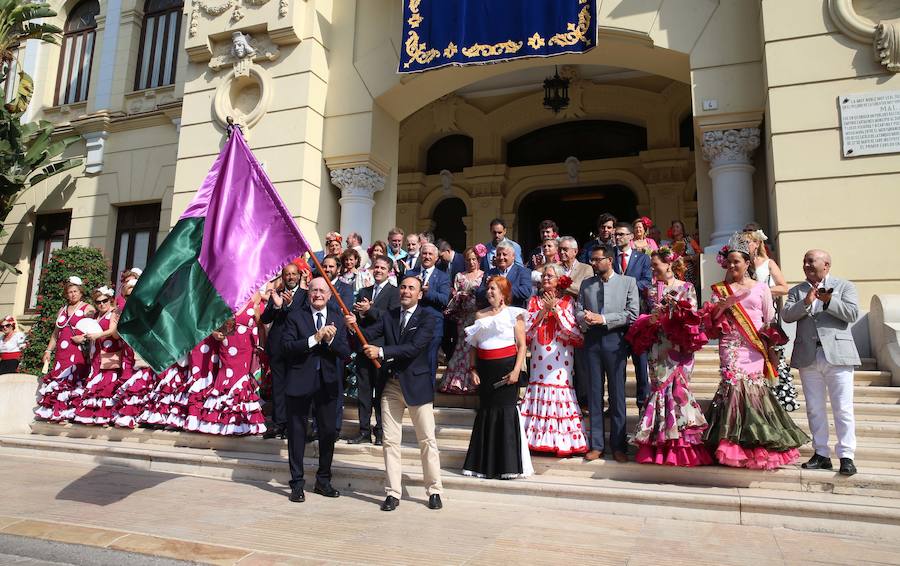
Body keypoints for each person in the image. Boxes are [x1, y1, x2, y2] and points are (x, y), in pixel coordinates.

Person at [703, 237, 809, 469]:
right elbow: (710, 323)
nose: (732, 266)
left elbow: (769, 320)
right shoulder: (720, 290)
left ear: (747, 262)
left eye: (736, 262)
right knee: (733, 387)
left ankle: (756, 442)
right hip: (730, 345)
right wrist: (721, 307)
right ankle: (731, 444)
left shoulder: (761, 288)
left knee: (753, 391)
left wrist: (769, 349)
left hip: (754, 346)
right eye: (729, 262)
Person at [351, 276, 443, 512]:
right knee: (390, 442)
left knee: (427, 440)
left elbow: (413, 348)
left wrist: (381, 351)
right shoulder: (390, 315)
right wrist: (354, 325)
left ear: (419, 294)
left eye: (411, 288)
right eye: (402, 287)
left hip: (417, 386)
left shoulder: (428, 318)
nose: (405, 291)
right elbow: (370, 333)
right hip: (391, 386)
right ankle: (393, 492)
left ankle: (434, 489)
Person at [630, 249, 712, 466]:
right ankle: (660, 444)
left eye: (656, 264)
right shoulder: (649, 290)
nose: (653, 269)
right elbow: (644, 316)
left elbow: (694, 318)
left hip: (680, 347)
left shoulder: (687, 287)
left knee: (679, 391)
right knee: (659, 390)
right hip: (658, 347)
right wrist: (651, 318)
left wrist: (675, 311)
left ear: (668, 264)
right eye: (651, 265)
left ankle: (681, 445)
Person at [783, 249, 860, 476]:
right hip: (809, 356)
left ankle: (846, 456)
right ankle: (821, 453)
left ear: (826, 265)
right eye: (804, 261)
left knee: (843, 408)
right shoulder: (797, 290)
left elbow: (852, 314)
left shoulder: (844, 286)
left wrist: (830, 301)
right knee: (815, 408)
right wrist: (806, 303)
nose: (806, 265)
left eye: (811, 261)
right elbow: (787, 315)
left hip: (838, 354)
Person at [281, 277, 350, 502]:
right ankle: (297, 483)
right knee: (297, 433)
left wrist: (329, 341)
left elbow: (345, 352)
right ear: (307, 293)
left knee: (329, 432)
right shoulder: (295, 316)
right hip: (300, 382)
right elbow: (287, 347)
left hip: (328, 384)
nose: (318, 294)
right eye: (314, 290)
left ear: (330, 295)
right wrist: (314, 338)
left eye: (322, 291)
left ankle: (323, 480)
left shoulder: (337, 318)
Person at [462, 276, 533, 478]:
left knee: (506, 413)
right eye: (488, 289)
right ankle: (483, 465)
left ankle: (508, 465)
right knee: (486, 413)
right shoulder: (479, 315)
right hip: (485, 371)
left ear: (503, 293)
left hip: (507, 370)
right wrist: (473, 369)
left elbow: (522, 346)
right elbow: (473, 346)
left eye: (494, 289)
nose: (490, 292)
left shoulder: (515, 314)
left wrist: (517, 371)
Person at [576, 244, 639, 462]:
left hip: (616, 341)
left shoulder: (627, 282)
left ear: (609, 260)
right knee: (594, 394)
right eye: (592, 259)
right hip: (592, 341)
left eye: (596, 259)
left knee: (617, 394)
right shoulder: (586, 284)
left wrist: (603, 319)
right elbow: (578, 310)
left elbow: (632, 314)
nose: (593, 263)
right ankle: (596, 445)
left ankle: (619, 445)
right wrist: (585, 318)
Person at [521, 264, 587, 457]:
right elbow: (526, 329)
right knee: (538, 387)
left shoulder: (567, 301)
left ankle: (561, 441)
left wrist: (555, 310)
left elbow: (573, 330)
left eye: (550, 276)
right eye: (544, 276)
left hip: (560, 356)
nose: (545, 279)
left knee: (558, 390)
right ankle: (535, 440)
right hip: (538, 356)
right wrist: (543, 311)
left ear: (559, 280)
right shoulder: (534, 301)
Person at [344, 256, 399, 444]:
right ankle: (364, 431)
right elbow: (359, 320)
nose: (378, 270)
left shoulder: (394, 292)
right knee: (364, 393)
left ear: (389, 270)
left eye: (383, 268)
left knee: (382, 393)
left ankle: (381, 431)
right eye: (376, 267)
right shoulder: (363, 291)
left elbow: (392, 318)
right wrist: (354, 321)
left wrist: (370, 310)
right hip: (362, 347)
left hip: (381, 349)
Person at [743, 229, 797, 411]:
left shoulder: (768, 263)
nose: (746, 245)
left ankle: (780, 399)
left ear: (757, 244)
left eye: (749, 241)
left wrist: (761, 290)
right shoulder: (740, 263)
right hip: (745, 317)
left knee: (774, 357)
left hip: (767, 317)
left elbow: (784, 288)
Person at [196, 299, 267, 435]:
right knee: (226, 379)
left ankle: (243, 423)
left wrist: (261, 347)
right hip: (227, 347)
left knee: (242, 380)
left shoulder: (254, 304)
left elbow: (261, 326)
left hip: (246, 348)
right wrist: (215, 334)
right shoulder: (223, 303)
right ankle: (222, 422)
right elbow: (211, 325)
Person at [35, 276, 95, 422]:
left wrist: (83, 337)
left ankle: (70, 412)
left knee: (72, 379)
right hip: (62, 352)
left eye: (75, 291)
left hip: (77, 351)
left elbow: (95, 329)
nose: (72, 294)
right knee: (59, 379)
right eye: (69, 292)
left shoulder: (88, 308)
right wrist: (48, 351)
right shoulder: (63, 309)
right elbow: (56, 333)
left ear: (81, 292)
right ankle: (57, 411)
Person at [260, 263, 303, 439]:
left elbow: (301, 318)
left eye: (294, 274)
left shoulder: (305, 295)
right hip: (277, 347)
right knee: (278, 387)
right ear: (283, 277)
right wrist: (277, 306)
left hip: (296, 348)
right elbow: (265, 318)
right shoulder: (276, 294)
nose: (291, 277)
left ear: (299, 276)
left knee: (294, 387)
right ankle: (279, 423)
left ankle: (291, 425)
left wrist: (288, 305)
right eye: (287, 274)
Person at [613, 222, 653, 410]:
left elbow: (646, 282)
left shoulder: (643, 259)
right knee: (616, 368)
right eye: (616, 234)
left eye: (621, 234)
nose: (617, 237)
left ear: (631, 237)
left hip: (637, 318)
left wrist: (625, 287)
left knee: (641, 365)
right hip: (615, 320)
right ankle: (616, 405)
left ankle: (643, 405)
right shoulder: (610, 257)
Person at [74, 286, 125, 425]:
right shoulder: (96, 316)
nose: (102, 304)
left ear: (110, 300)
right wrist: (83, 337)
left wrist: (99, 334)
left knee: (108, 382)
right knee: (95, 382)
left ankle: (105, 415)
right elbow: (90, 332)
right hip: (96, 353)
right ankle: (92, 414)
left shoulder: (114, 313)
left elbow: (114, 332)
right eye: (98, 302)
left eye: (105, 300)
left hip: (111, 352)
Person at [441, 247, 484, 394]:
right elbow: (453, 296)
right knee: (462, 347)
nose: (471, 262)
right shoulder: (460, 276)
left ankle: (472, 381)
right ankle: (456, 382)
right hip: (463, 316)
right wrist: (459, 295)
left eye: (474, 259)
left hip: (478, 316)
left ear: (479, 260)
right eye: (468, 259)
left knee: (474, 348)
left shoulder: (483, 276)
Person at [406, 243, 450, 377]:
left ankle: (428, 394)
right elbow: (402, 295)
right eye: (424, 253)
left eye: (430, 254)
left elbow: (444, 300)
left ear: (436, 258)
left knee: (430, 360)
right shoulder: (410, 274)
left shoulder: (443, 276)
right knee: (411, 360)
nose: (427, 256)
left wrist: (427, 292)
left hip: (433, 325)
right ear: (420, 255)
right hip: (412, 323)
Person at [476, 243, 531, 309]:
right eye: (498, 255)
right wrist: (490, 289)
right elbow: (479, 294)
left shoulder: (523, 271)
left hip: (514, 313)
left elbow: (526, 291)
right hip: (493, 313)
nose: (501, 257)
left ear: (513, 256)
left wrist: (500, 289)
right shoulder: (490, 273)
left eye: (504, 254)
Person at [661, 220, 701, 288]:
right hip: (675, 273)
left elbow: (700, 254)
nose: (674, 228)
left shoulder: (688, 240)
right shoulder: (670, 245)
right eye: (673, 227)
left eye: (677, 227)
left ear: (682, 230)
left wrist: (685, 258)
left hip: (688, 272)